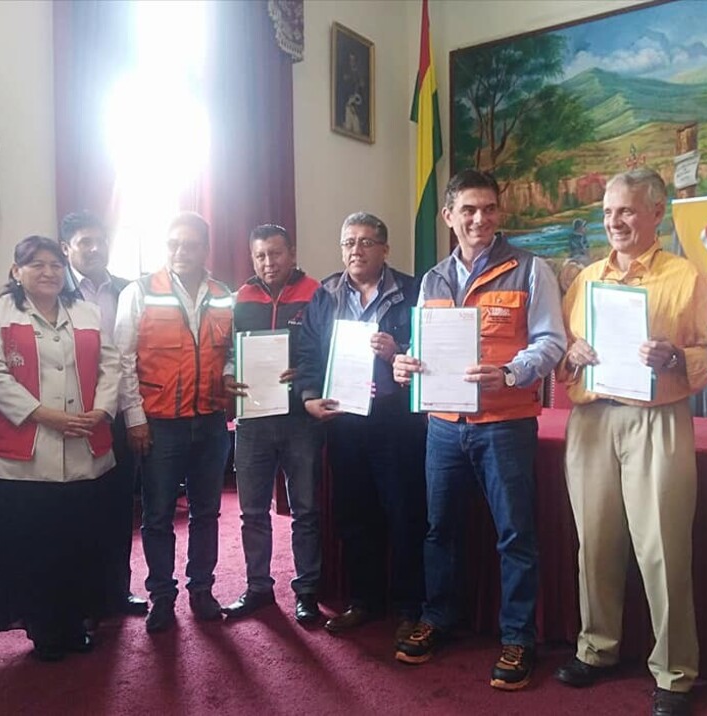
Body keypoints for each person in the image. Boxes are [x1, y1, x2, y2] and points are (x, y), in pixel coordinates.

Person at [393, 170, 566, 691]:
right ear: (449, 217)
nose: (479, 219)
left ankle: (517, 637)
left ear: (500, 213)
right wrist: (407, 364)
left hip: (504, 424)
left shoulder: (530, 270)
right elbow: (422, 347)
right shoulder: (432, 280)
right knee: (438, 529)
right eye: (468, 210)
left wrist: (510, 371)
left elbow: (551, 342)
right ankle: (438, 617)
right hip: (443, 426)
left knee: (515, 533)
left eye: (488, 208)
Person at [553, 168, 707, 716]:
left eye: (625, 211)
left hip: (657, 420)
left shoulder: (686, 277)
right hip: (593, 420)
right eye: (607, 212)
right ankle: (596, 648)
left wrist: (675, 356)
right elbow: (567, 349)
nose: (614, 221)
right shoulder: (585, 279)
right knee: (593, 543)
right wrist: (570, 356)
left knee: (662, 550)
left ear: (655, 212)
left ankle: (674, 672)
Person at [0, 235, 118, 662]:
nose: (49, 272)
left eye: (56, 264)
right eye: (36, 264)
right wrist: (44, 414)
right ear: (16, 272)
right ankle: (43, 627)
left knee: (79, 541)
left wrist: (104, 409)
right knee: (35, 545)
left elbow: (112, 365)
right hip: (26, 454)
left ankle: (75, 621)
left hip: (85, 445)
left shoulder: (87, 313)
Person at [295, 212, 426, 642]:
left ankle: (410, 606)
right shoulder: (326, 294)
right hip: (345, 419)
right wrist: (308, 398)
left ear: (385, 249)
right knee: (354, 514)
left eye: (366, 242)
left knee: (405, 513)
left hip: (396, 419)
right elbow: (309, 353)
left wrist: (397, 350)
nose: (356, 250)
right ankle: (364, 600)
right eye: (349, 242)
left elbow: (430, 353)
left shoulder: (412, 291)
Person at [114, 211, 233, 634]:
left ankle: (201, 589)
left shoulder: (223, 295)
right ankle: (161, 596)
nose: (181, 251)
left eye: (191, 244)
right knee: (158, 514)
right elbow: (122, 360)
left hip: (211, 422)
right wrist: (134, 418)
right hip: (159, 423)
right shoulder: (139, 292)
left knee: (207, 512)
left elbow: (232, 351)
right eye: (174, 244)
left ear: (205, 248)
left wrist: (233, 371)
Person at [221, 225, 323, 624]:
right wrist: (229, 374)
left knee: (306, 510)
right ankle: (258, 588)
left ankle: (308, 591)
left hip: (300, 419)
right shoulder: (239, 298)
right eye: (261, 255)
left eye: (276, 254)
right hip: (253, 418)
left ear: (292, 253)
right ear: (252, 258)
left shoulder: (316, 293)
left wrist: (305, 375)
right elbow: (227, 349)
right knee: (252, 512)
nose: (269, 262)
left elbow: (325, 348)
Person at [60, 210, 147, 618]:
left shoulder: (129, 290)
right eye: (84, 242)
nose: (95, 249)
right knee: (79, 509)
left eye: (100, 241)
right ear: (66, 249)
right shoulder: (51, 291)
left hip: (116, 414)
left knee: (117, 505)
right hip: (69, 416)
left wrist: (132, 413)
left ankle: (117, 590)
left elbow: (133, 358)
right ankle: (81, 598)